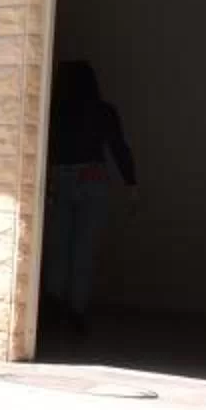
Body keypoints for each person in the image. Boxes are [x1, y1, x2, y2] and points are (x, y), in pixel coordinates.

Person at [41, 59, 137, 335]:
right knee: (84, 249)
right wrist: (132, 184)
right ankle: (76, 312)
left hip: (60, 179)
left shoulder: (53, 111)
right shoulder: (103, 111)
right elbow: (119, 148)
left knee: (58, 246)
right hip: (93, 179)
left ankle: (54, 306)